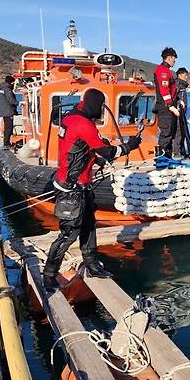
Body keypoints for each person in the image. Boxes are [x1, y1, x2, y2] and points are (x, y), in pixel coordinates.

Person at [43, 89, 142, 291]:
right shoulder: (84, 124)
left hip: (81, 184)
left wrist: (93, 156)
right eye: (101, 108)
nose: (101, 113)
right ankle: (49, 275)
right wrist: (129, 146)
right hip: (72, 188)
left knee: (89, 225)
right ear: (96, 105)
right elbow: (107, 151)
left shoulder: (72, 117)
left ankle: (92, 264)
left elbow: (76, 146)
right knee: (69, 233)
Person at [153, 47, 180, 157]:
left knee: (170, 133)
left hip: (169, 107)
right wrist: (170, 106)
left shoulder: (167, 71)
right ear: (169, 57)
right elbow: (164, 89)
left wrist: (178, 101)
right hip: (165, 108)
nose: (175, 61)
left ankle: (167, 157)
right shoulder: (162, 70)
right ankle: (161, 159)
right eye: (174, 58)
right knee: (166, 133)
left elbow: (171, 89)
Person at [172, 67, 190, 158]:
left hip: (183, 112)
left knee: (183, 132)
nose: (186, 77)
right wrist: (178, 104)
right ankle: (176, 152)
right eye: (185, 75)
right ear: (179, 75)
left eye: (187, 75)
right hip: (178, 112)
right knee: (178, 131)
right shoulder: (177, 84)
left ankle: (182, 151)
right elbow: (174, 96)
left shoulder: (183, 85)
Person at [0, 75, 18, 147]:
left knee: (7, 127)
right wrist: (18, 103)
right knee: (9, 127)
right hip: (8, 111)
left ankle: (6, 142)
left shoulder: (2, 88)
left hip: (3, 110)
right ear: (11, 82)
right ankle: (6, 143)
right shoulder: (7, 89)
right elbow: (10, 100)